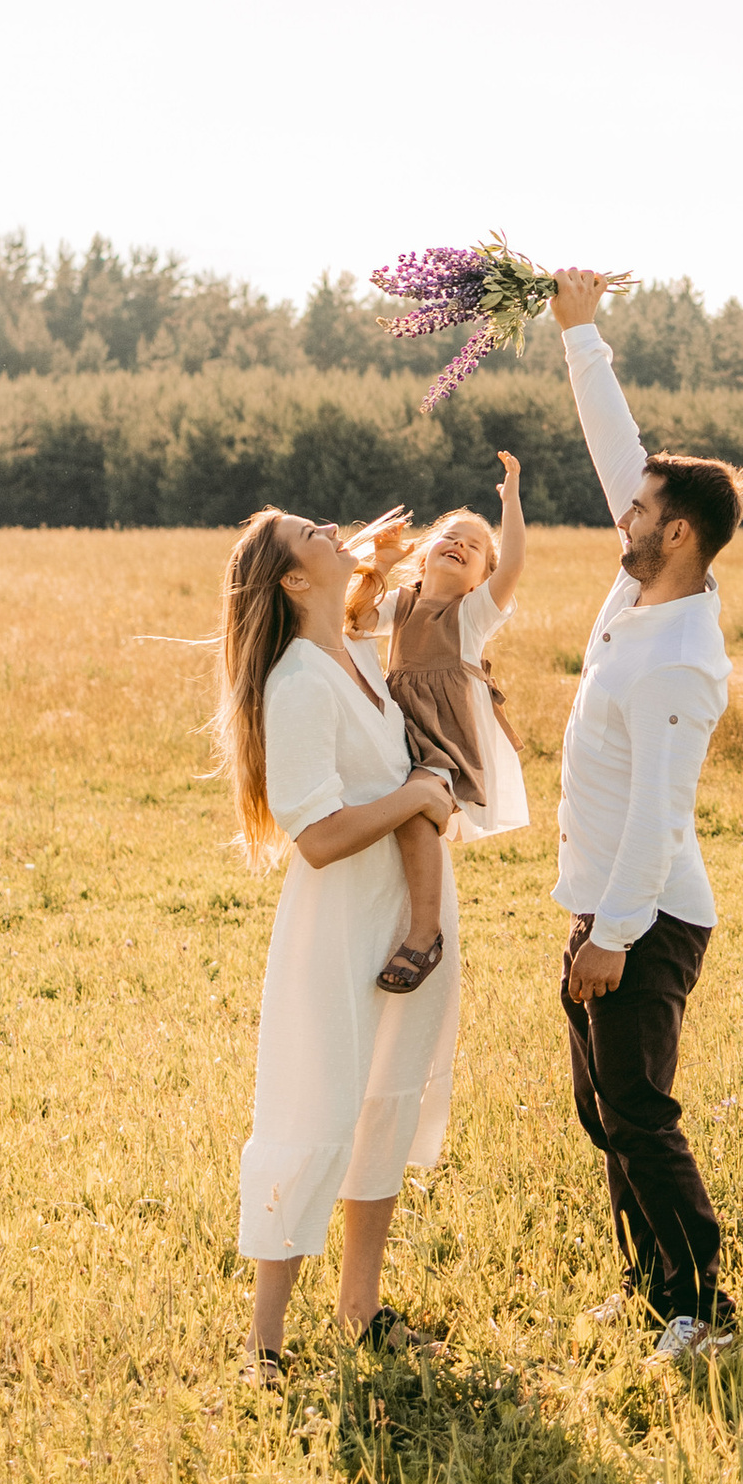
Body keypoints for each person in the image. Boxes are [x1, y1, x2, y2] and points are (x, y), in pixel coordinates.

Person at [550, 265, 743, 1365]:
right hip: (598, 907)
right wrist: (583, 336)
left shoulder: (679, 657)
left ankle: (701, 1312)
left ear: (677, 537)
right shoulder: (644, 589)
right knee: (602, 1111)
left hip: (646, 919)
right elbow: (624, 460)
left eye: (639, 514)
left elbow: (662, 821)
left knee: (638, 1112)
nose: (621, 513)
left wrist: (612, 940)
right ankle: (648, 1288)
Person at [216, 506, 462, 1377]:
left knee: (385, 1103)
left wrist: (377, 563)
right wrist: (418, 794)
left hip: (403, 914)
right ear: (291, 579)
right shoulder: (298, 683)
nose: (333, 530)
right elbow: (316, 835)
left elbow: (371, 606)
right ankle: (265, 1343)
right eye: (311, 535)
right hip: (339, 921)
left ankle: (361, 1309)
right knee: (311, 1109)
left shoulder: (350, 656)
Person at [349, 455, 532, 992]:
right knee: (387, 810)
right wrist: (380, 562)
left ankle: (424, 934)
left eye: (474, 547)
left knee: (414, 812)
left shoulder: (472, 615)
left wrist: (511, 496)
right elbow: (356, 618)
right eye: (451, 536)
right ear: (425, 555)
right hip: (395, 737)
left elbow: (515, 561)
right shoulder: (401, 605)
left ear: (482, 579)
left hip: (445, 745)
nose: (460, 544)